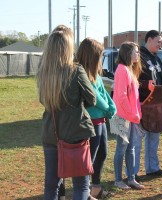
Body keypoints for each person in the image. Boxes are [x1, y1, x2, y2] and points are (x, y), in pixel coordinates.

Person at [37, 25, 96, 200]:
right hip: (75, 132)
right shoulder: (76, 70)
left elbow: (43, 100)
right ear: (68, 47)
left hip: (51, 134)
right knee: (81, 185)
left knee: (51, 185)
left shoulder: (43, 73)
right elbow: (91, 99)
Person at [76, 38, 116, 199]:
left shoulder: (95, 73)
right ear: (92, 55)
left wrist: (111, 105)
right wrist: (108, 108)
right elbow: (95, 96)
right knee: (89, 158)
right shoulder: (82, 73)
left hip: (101, 120)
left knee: (102, 154)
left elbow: (103, 92)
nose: (101, 57)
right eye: (99, 54)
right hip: (91, 121)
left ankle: (96, 187)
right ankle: (84, 191)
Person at [128, 30, 162, 179]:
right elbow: (130, 80)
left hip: (156, 105)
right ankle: (133, 172)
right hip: (142, 103)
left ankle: (152, 168)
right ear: (149, 40)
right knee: (137, 140)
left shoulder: (156, 58)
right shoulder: (139, 57)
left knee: (154, 137)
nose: (160, 44)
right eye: (158, 41)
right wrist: (144, 85)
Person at [111, 41, 145, 190]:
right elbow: (121, 96)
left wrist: (135, 113)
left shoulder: (129, 69)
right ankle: (118, 180)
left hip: (130, 116)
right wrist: (131, 114)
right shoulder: (122, 70)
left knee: (131, 148)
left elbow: (133, 96)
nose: (138, 54)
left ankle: (131, 178)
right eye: (135, 52)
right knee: (121, 148)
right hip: (122, 116)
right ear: (127, 53)